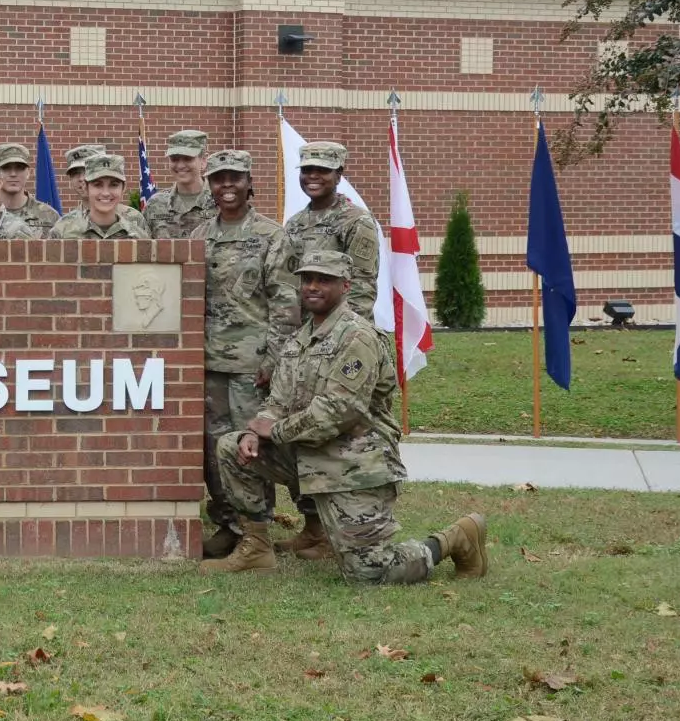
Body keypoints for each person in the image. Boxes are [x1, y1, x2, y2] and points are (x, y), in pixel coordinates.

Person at [203, 250, 488, 585]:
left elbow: (337, 412)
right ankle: (256, 547)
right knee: (232, 447)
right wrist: (256, 431)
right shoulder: (297, 342)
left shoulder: (358, 337)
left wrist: (274, 431)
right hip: (307, 455)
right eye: (307, 279)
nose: (312, 286)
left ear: (345, 285)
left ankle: (453, 539)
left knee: (370, 571)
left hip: (354, 465)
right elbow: (278, 401)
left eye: (324, 280)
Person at [268, 140, 383, 559]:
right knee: (300, 431)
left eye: (323, 170)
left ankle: (345, 520)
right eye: (307, 170)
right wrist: (284, 350)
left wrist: (339, 345)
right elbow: (285, 291)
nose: (313, 176)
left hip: (339, 347)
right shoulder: (296, 225)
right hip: (300, 348)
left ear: (338, 173)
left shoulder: (356, 222)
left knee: (333, 430)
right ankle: (313, 527)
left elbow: (363, 290)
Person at [191, 150, 288, 559]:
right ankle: (228, 523)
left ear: (249, 182)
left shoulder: (271, 235)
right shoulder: (199, 237)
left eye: (234, 178)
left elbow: (285, 303)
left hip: (252, 366)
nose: (226, 186)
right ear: (210, 185)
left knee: (249, 447)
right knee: (214, 449)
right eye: (218, 179)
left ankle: (256, 529)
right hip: (209, 362)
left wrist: (273, 360)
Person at [47, 154, 151, 239]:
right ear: (86, 188)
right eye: (97, 185)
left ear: (123, 188)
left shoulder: (139, 237)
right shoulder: (62, 232)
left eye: (113, 185)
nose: (105, 193)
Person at [144, 129, 217, 239]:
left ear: (203, 160)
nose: (180, 165)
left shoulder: (220, 202)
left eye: (188, 159)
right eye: (174, 159)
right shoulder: (155, 204)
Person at [0, 142, 60, 231]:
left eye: (19, 168)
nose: (13, 174)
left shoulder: (49, 216)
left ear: (28, 173)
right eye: (6, 168)